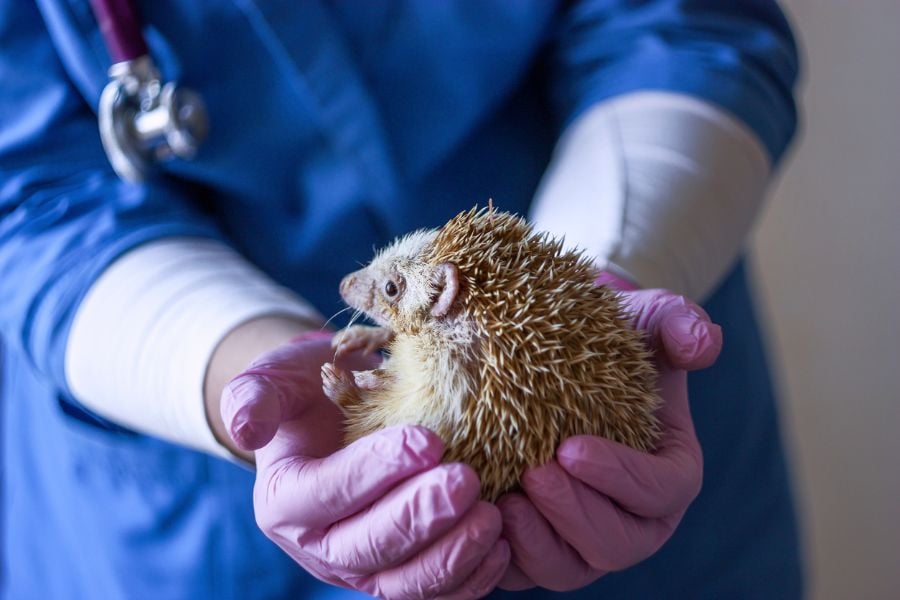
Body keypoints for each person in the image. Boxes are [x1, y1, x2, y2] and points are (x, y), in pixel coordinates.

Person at [0, 1, 802, 598]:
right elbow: (32, 191)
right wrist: (242, 373)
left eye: (381, 288)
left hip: (640, 257)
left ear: (440, 288)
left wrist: (616, 267)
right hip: (182, 514)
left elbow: (686, 27)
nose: (358, 293)